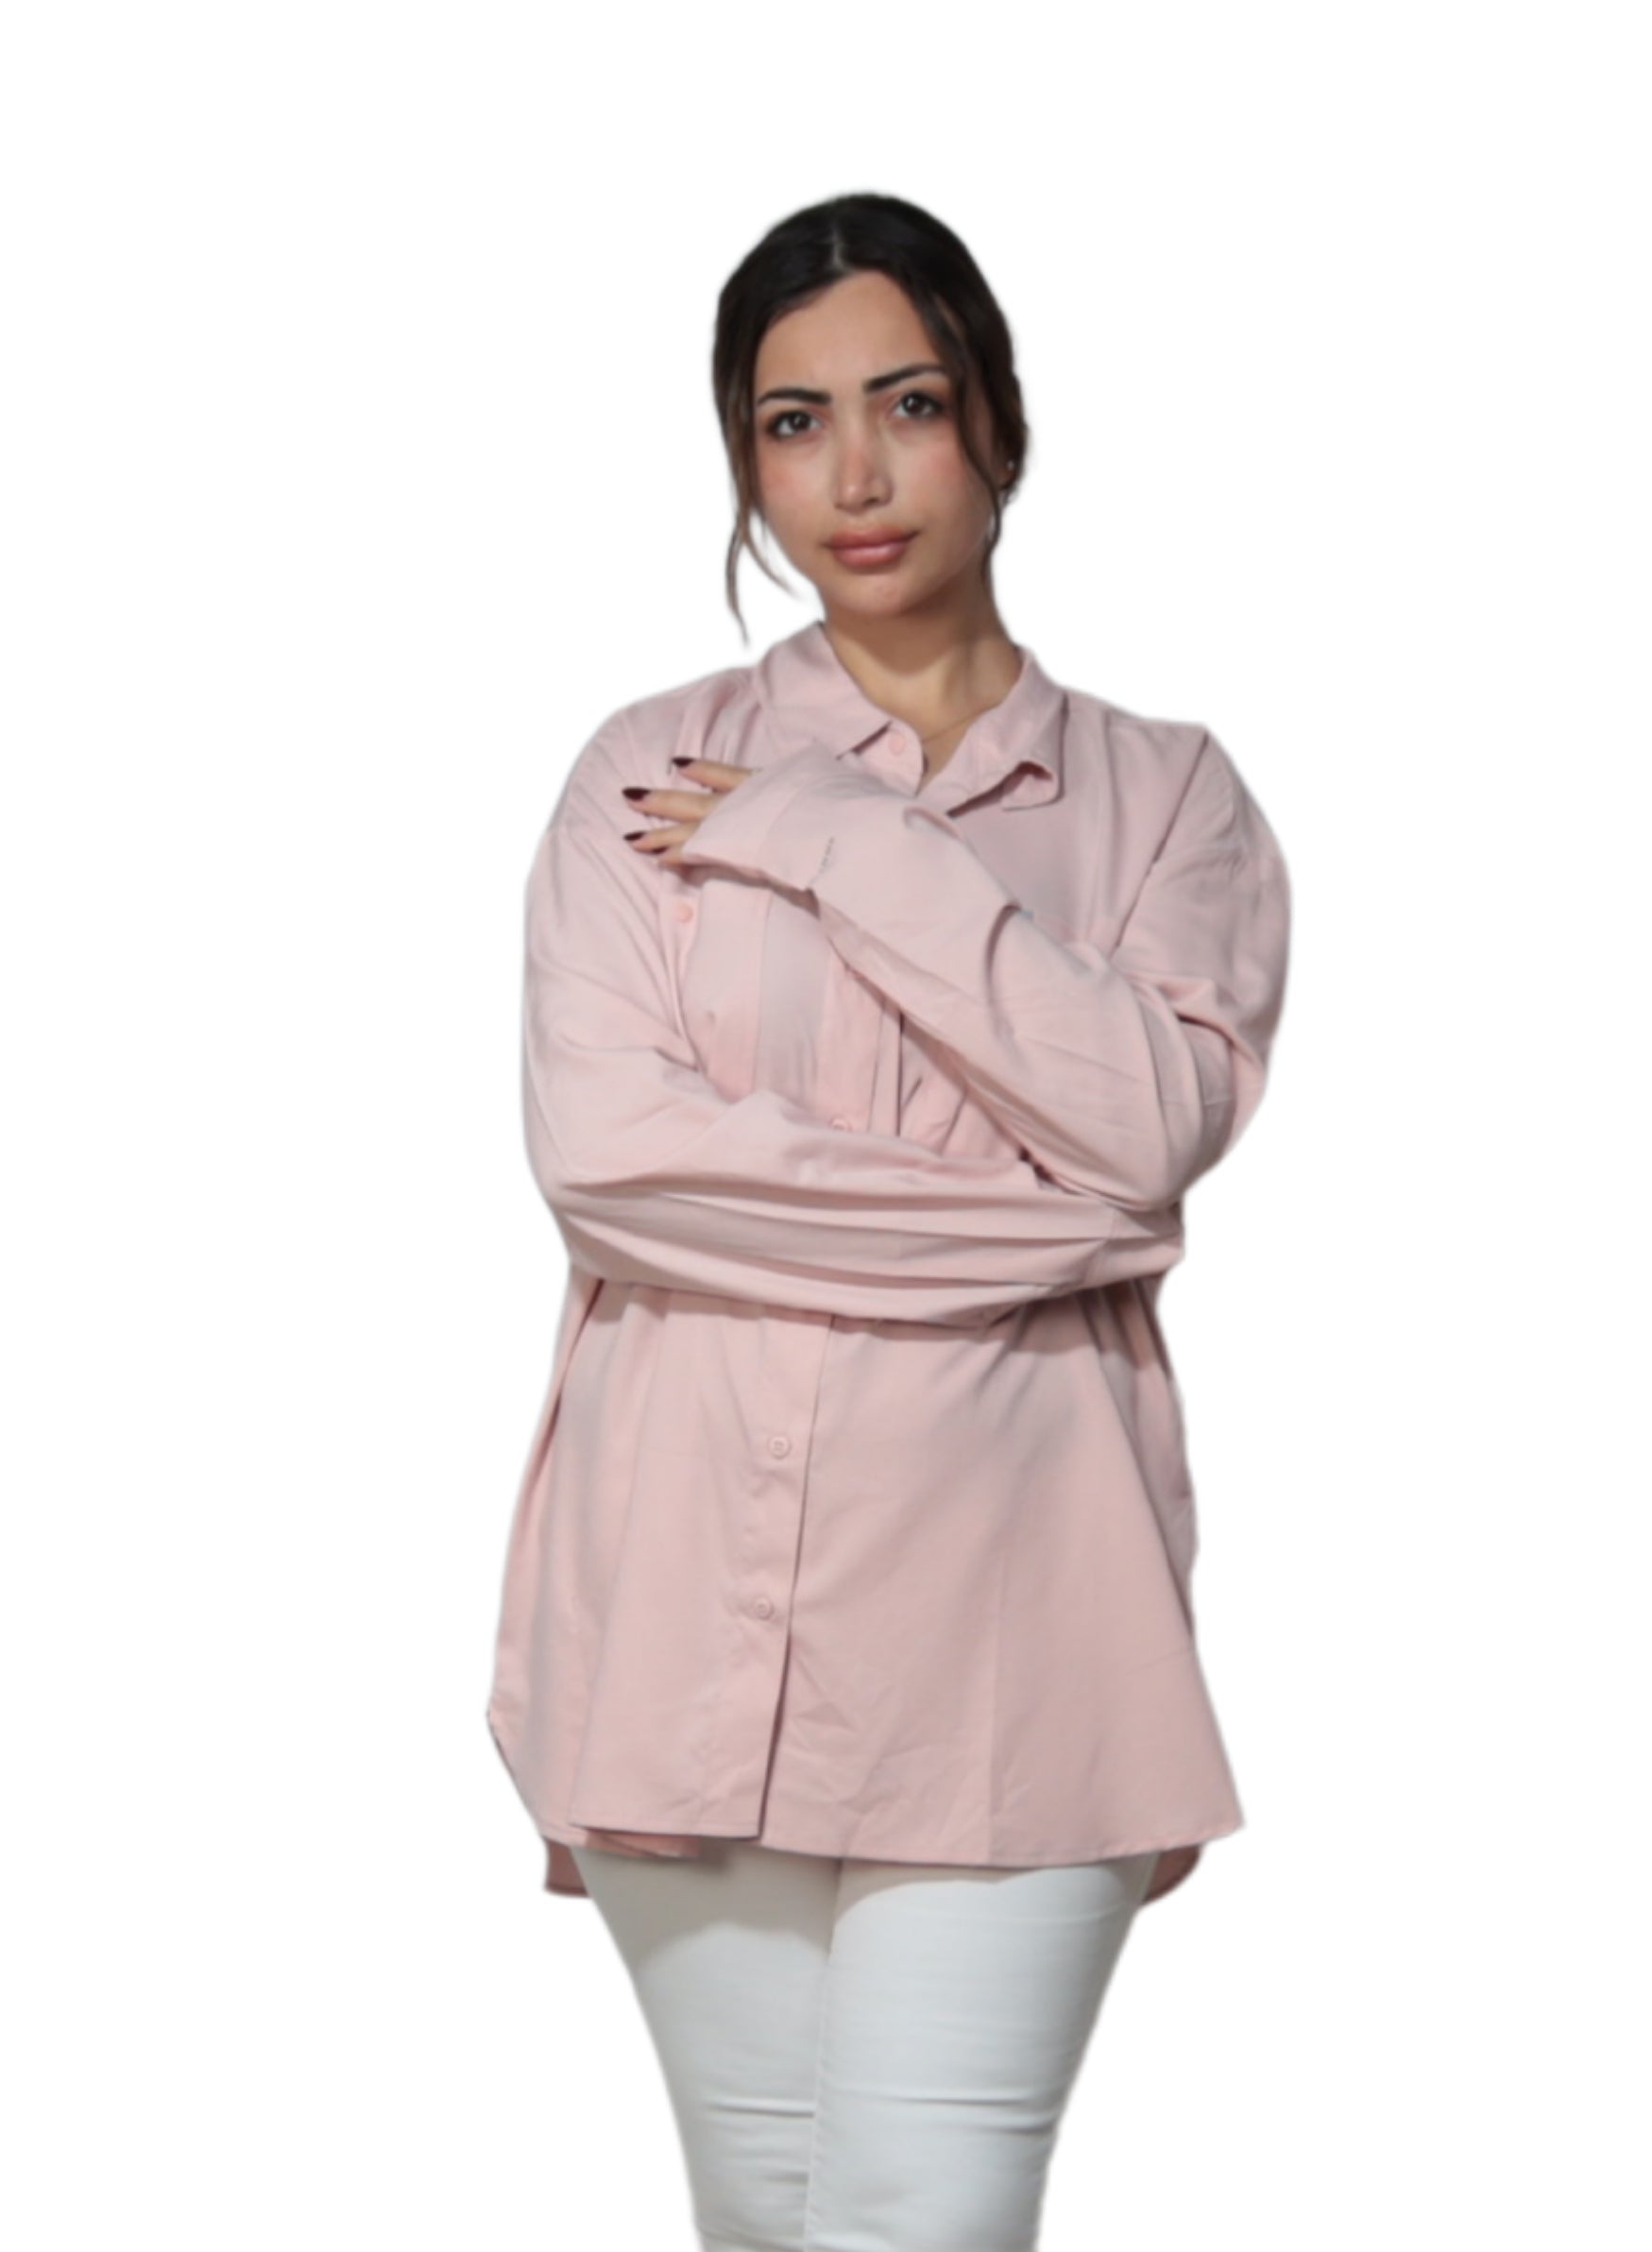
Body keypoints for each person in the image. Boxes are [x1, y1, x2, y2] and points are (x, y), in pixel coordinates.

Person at [486, 190, 1293, 2252]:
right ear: (741, 459)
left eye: (907, 405)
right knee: (769, 2228)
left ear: (997, 422)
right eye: (791, 422)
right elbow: (612, 1161)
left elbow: (1146, 1122)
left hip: (1022, 1628)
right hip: (688, 1621)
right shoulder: (642, 772)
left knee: (920, 2223)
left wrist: (847, 843)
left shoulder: (1164, 800)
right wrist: (1053, 1227)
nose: (852, 475)